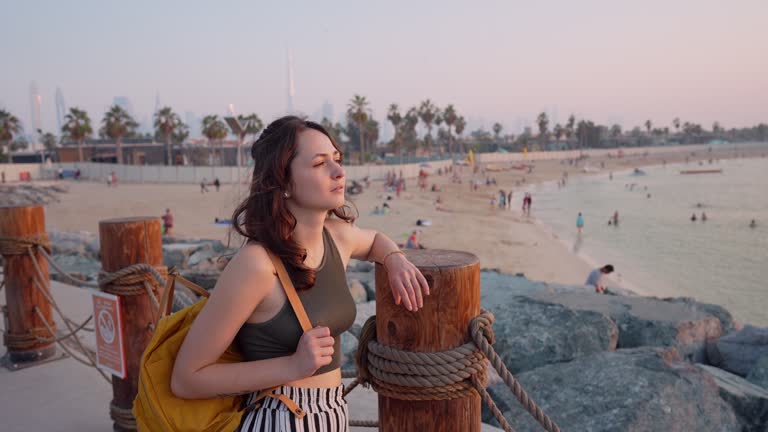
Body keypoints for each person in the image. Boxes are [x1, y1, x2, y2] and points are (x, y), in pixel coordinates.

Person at [170, 116, 429, 431]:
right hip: (279, 418)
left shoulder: (336, 237)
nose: (339, 171)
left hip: (331, 413)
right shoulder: (256, 264)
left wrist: (395, 259)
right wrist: (293, 365)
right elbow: (187, 378)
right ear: (283, 183)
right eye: (320, 163)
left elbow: (374, 240)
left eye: (337, 159)